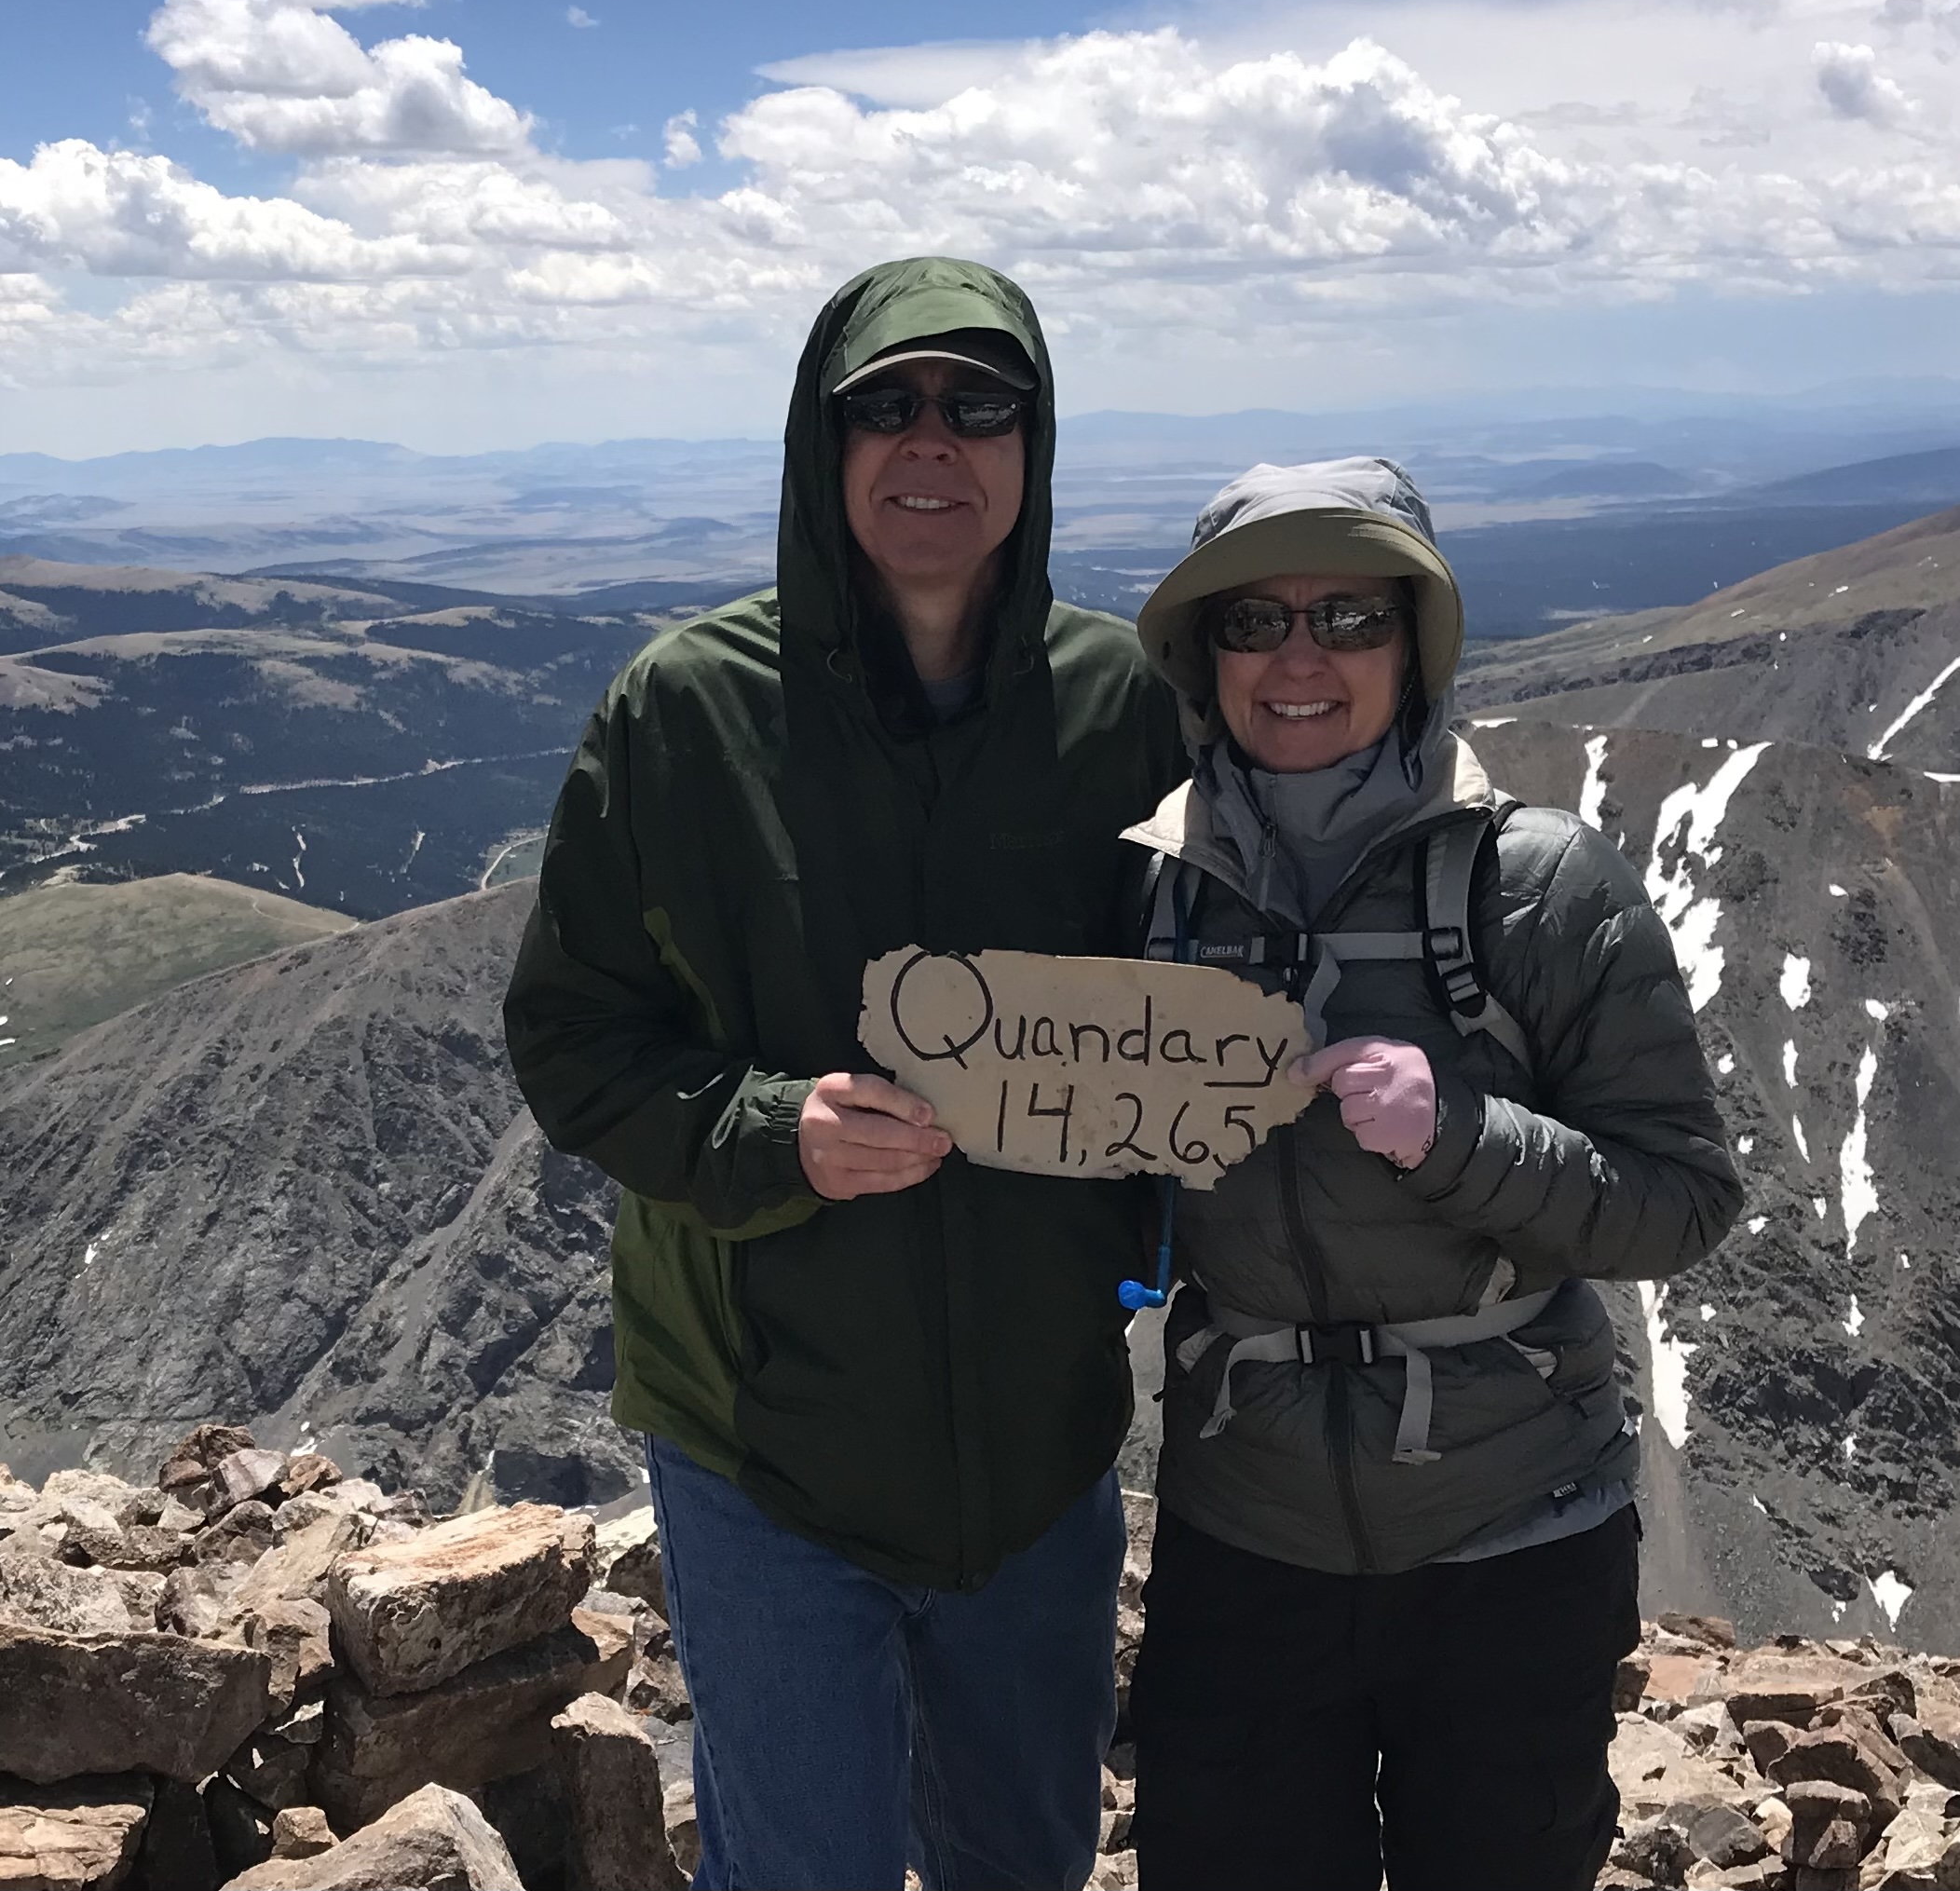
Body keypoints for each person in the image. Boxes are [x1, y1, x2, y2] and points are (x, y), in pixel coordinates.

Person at [502, 257, 1184, 1891]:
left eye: (978, 402)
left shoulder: (1121, 707)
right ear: (824, 440)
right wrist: (767, 1132)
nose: (930, 437)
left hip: (1037, 1443)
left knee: (1025, 1858)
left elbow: (1202, 1010)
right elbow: (572, 1038)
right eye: (884, 402)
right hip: (766, 1444)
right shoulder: (684, 712)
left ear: (1031, 441)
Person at [1120, 457, 1742, 1891]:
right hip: (1245, 1528)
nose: (1298, 658)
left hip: (1510, 1531)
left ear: (1414, 646)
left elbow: (1680, 1199)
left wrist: (1455, 1134)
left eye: (1349, 615)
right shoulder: (1148, 893)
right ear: (1203, 656)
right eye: (1253, 620)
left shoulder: (1538, 884)